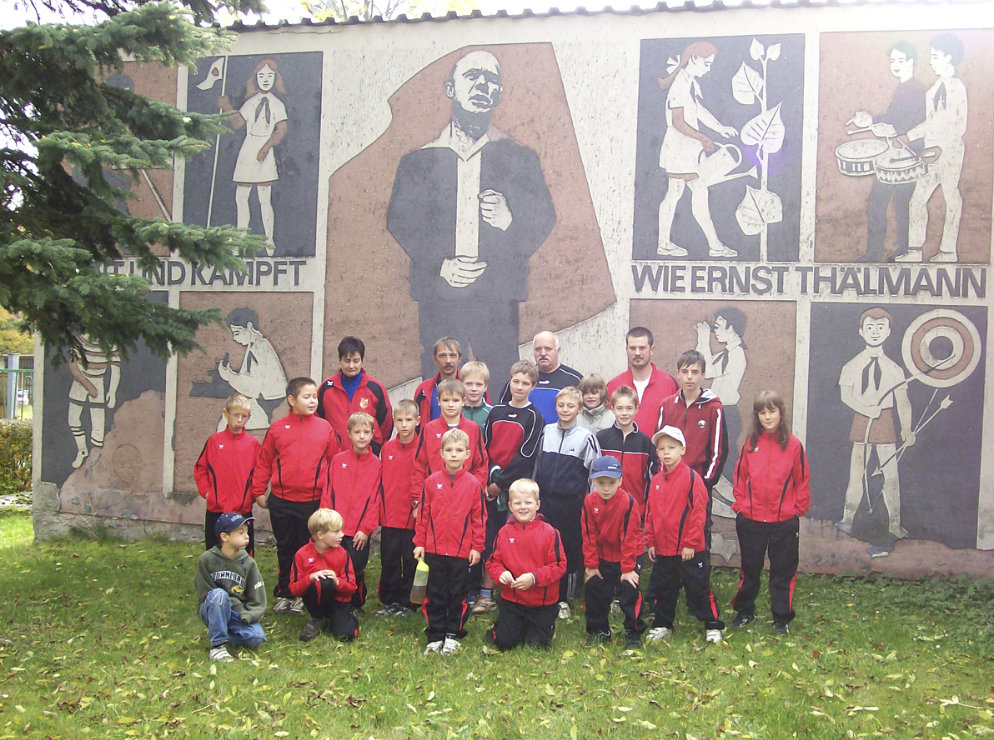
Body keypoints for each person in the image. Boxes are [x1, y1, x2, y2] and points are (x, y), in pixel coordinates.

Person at [387, 50, 556, 382]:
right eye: (472, 76)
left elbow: (544, 217)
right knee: (439, 380)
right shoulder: (418, 162)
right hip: (440, 291)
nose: (483, 85)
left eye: (492, 80)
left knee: (500, 378)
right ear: (451, 89)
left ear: (499, 94)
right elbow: (400, 221)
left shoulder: (519, 158)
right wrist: (440, 264)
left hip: (496, 295)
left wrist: (509, 221)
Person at [249, 377, 340, 615]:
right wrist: (259, 490)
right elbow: (264, 461)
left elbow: (333, 464)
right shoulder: (278, 428)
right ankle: (286, 592)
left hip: (313, 502)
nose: (312, 401)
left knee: (308, 549)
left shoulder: (324, 428)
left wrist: (329, 499)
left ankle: (304, 593)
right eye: (306, 397)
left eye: (314, 397)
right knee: (286, 548)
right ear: (291, 400)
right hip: (282, 501)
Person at [836, 308, 915, 556]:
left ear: (889, 331)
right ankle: (848, 517)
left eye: (880, 328)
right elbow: (845, 395)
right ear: (861, 331)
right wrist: (865, 408)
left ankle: (894, 524)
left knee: (890, 474)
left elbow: (903, 401)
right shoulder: (852, 365)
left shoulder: (894, 369)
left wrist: (907, 429)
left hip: (885, 422)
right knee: (857, 472)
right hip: (862, 420)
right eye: (870, 327)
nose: (875, 332)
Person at [730, 391, 810, 635]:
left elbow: (802, 480)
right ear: (757, 416)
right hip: (752, 520)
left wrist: (797, 509)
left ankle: (781, 618)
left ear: (781, 413)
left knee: (782, 571)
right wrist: (741, 504)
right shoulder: (750, 444)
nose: (767, 417)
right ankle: (745, 611)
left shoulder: (794, 445)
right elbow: (740, 477)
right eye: (762, 412)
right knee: (749, 569)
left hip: (783, 522)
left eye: (772, 411)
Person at [656, 41, 739, 259]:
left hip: (687, 150)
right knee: (691, 192)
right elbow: (677, 122)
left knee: (677, 193)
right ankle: (713, 246)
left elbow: (698, 110)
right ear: (693, 59)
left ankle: (670, 244)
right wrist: (703, 138)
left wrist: (720, 128)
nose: (709, 68)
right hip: (679, 149)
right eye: (707, 63)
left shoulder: (689, 82)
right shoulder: (679, 86)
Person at [474, 360, 544, 614]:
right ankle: (484, 593)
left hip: (514, 492)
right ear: (510, 380)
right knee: (488, 539)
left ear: (533, 386)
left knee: (510, 542)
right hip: (489, 486)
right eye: (516, 381)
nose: (520, 386)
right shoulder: (496, 412)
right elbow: (485, 448)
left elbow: (525, 456)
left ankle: (512, 592)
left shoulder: (534, 416)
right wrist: (489, 479)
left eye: (526, 383)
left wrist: (499, 485)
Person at [846, 41, 926, 262]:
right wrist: (869, 121)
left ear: (912, 62)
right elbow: (894, 118)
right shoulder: (904, 87)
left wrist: (893, 130)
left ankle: (901, 249)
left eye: (901, 61)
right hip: (896, 153)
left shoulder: (918, 89)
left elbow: (917, 122)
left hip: (909, 154)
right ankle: (878, 251)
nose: (896, 65)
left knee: (898, 201)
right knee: (884, 202)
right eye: (893, 61)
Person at [644, 426, 724, 644]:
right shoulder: (657, 481)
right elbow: (650, 513)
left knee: (698, 587)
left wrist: (690, 543)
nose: (666, 453)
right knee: (665, 588)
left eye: (671, 447)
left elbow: (699, 513)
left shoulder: (692, 478)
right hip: (664, 549)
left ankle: (712, 624)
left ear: (682, 449)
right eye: (661, 449)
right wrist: (651, 541)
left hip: (690, 550)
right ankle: (663, 624)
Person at [413, 428, 487, 656]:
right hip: (434, 550)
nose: (454, 455)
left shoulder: (473, 484)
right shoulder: (431, 482)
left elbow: (479, 518)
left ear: (468, 454)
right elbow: (423, 515)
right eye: (449, 450)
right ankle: (435, 634)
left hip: (461, 551)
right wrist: (420, 542)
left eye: (459, 450)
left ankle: (453, 634)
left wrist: (476, 547)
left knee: (457, 595)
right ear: (441, 454)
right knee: (434, 594)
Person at [897, 34, 968, 264]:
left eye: (935, 57)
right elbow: (932, 123)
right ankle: (915, 250)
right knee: (918, 199)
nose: (931, 62)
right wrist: (908, 136)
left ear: (948, 58)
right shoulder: (935, 87)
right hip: (931, 151)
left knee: (951, 196)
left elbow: (958, 125)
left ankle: (949, 251)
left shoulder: (956, 87)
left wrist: (940, 147)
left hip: (949, 151)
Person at [535, 386, 601, 619]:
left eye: (570, 406)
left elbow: (595, 474)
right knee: (545, 549)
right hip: (545, 501)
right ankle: (545, 593)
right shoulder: (546, 431)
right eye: (561, 405)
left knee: (569, 549)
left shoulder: (586, 438)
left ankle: (565, 599)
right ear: (556, 407)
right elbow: (536, 465)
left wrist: (593, 504)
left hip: (571, 504)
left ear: (579, 409)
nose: (565, 410)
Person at [484, 478, 566, 650]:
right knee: (505, 642)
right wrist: (500, 574)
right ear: (510, 506)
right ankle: (506, 626)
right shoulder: (504, 532)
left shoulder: (550, 533)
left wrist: (533, 578)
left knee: (536, 646)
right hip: (512, 601)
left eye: (528, 502)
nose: (523, 507)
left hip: (542, 603)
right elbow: (493, 562)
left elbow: (558, 566)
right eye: (517, 503)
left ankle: (542, 626)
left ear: (537, 504)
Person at [657, 349, 729, 544]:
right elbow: (659, 448)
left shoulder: (714, 408)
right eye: (685, 371)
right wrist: (662, 480)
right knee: (670, 535)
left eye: (695, 372)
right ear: (678, 373)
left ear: (703, 375)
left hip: (698, 486)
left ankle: (697, 574)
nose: (690, 377)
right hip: (669, 486)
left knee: (697, 539)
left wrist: (704, 484)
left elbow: (719, 451)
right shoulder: (666, 405)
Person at [218, 58, 288, 255]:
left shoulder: (277, 104)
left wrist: (266, 147)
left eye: (269, 76)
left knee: (264, 198)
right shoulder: (250, 103)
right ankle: (240, 240)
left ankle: (269, 240)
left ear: (275, 78)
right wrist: (227, 106)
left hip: (264, 151)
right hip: (248, 149)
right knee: (241, 197)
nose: (265, 79)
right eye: (261, 76)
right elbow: (238, 123)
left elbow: (281, 130)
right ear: (256, 78)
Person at [581, 456, 647, 649]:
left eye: (611, 483)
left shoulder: (628, 502)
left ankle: (633, 632)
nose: (606, 488)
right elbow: (588, 534)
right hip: (602, 556)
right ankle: (599, 630)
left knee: (629, 590)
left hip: (627, 555)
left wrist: (627, 569)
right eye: (601, 483)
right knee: (595, 589)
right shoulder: (589, 501)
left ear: (620, 481)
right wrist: (592, 566)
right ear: (593, 481)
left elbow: (629, 536)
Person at [322, 412, 380, 611]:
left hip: (358, 532)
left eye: (366, 432)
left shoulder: (377, 465)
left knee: (355, 567)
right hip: (335, 528)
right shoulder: (338, 460)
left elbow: (376, 500)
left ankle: (355, 603)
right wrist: (326, 524)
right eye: (357, 432)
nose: (362, 436)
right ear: (349, 433)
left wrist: (366, 529)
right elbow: (328, 491)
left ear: (373, 434)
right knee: (332, 565)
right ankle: (332, 602)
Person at [194, 394, 262, 555]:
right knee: (214, 550)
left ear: (249, 417)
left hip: (242, 509)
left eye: (243, 416)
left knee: (244, 551)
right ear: (226, 414)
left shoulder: (252, 444)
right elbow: (200, 469)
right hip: (216, 508)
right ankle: (214, 580)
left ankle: (243, 580)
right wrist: (207, 493)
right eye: (235, 415)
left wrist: (251, 495)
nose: (239, 419)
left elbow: (259, 473)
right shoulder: (214, 442)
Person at [194, 513, 267, 662]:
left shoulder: (249, 563)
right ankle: (218, 647)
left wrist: (248, 615)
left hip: (236, 614)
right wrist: (222, 604)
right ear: (225, 537)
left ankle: (225, 633)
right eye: (241, 533)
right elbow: (205, 593)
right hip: (212, 606)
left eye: (247, 532)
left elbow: (258, 598)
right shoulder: (206, 560)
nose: (247, 536)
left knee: (257, 638)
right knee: (219, 595)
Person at [696, 308, 747, 514]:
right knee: (717, 460)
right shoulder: (726, 353)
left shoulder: (736, 354)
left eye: (718, 327)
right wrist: (702, 340)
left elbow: (708, 370)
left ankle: (740, 502)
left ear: (731, 327)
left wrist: (703, 336)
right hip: (717, 412)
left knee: (725, 460)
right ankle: (733, 503)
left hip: (727, 413)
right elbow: (702, 363)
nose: (715, 332)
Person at [376, 400, 421, 617]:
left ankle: (408, 602)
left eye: (409, 420)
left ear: (417, 421)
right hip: (389, 517)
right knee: (389, 559)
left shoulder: (423, 448)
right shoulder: (387, 448)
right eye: (400, 420)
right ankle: (389, 599)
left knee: (410, 560)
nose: (404, 425)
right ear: (394, 421)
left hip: (412, 517)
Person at [410, 378, 489, 501]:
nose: (450, 405)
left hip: (465, 496)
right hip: (435, 496)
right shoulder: (429, 429)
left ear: (463, 401)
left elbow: (481, 464)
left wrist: (475, 491)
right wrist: (418, 498)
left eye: (455, 400)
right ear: (438, 401)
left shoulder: (472, 428)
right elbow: (419, 465)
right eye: (446, 400)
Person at [289, 508, 359, 642]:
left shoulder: (343, 554)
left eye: (341, 530)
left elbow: (352, 587)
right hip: (315, 598)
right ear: (320, 535)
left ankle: (347, 616)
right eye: (336, 531)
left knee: (346, 636)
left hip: (339, 600)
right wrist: (309, 578)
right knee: (322, 581)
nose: (342, 535)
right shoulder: (301, 554)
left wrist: (337, 581)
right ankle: (317, 618)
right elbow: (294, 589)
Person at [214, 308, 288, 432]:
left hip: (265, 407)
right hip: (261, 403)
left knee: (226, 423)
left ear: (249, 327)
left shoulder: (259, 347)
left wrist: (229, 376)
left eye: (237, 333)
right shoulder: (256, 345)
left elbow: (254, 387)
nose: (235, 338)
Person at [317, 336, 393, 455]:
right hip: (335, 457)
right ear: (340, 360)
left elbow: (386, 422)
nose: (351, 366)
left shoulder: (375, 388)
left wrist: (376, 445)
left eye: (356, 361)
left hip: (368, 456)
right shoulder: (326, 388)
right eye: (347, 361)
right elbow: (318, 420)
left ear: (362, 360)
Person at [497, 330, 583, 426]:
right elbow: (501, 410)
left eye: (548, 349)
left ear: (558, 350)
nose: (542, 353)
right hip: (525, 438)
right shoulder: (520, 380)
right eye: (538, 349)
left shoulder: (574, 379)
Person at [596, 385, 656, 522]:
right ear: (611, 408)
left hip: (635, 509)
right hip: (605, 508)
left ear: (636, 409)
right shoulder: (602, 438)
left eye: (629, 408)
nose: (624, 413)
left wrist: (645, 508)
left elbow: (650, 478)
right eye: (619, 408)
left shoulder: (645, 442)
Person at [607, 327, 678, 435]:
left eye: (642, 348)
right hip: (624, 450)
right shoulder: (614, 385)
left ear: (652, 349)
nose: (637, 353)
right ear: (626, 350)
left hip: (657, 450)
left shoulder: (670, 384)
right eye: (632, 348)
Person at [67, 334, 121, 469]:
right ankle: (82, 449)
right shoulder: (79, 340)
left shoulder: (110, 343)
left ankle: (96, 455)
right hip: (80, 382)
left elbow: (115, 369)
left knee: (98, 422)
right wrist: (89, 386)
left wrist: (112, 392)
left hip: (99, 381)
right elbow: (73, 367)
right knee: (73, 418)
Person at [413, 337, 463, 425]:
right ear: (435, 358)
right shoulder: (423, 389)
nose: (448, 361)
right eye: (442, 356)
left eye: (452, 355)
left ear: (459, 358)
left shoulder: (471, 388)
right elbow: (414, 423)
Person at [461, 361, 492, 432]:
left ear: (485, 387)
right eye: (469, 384)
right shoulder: (455, 411)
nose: (474, 389)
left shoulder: (492, 413)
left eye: (479, 384)